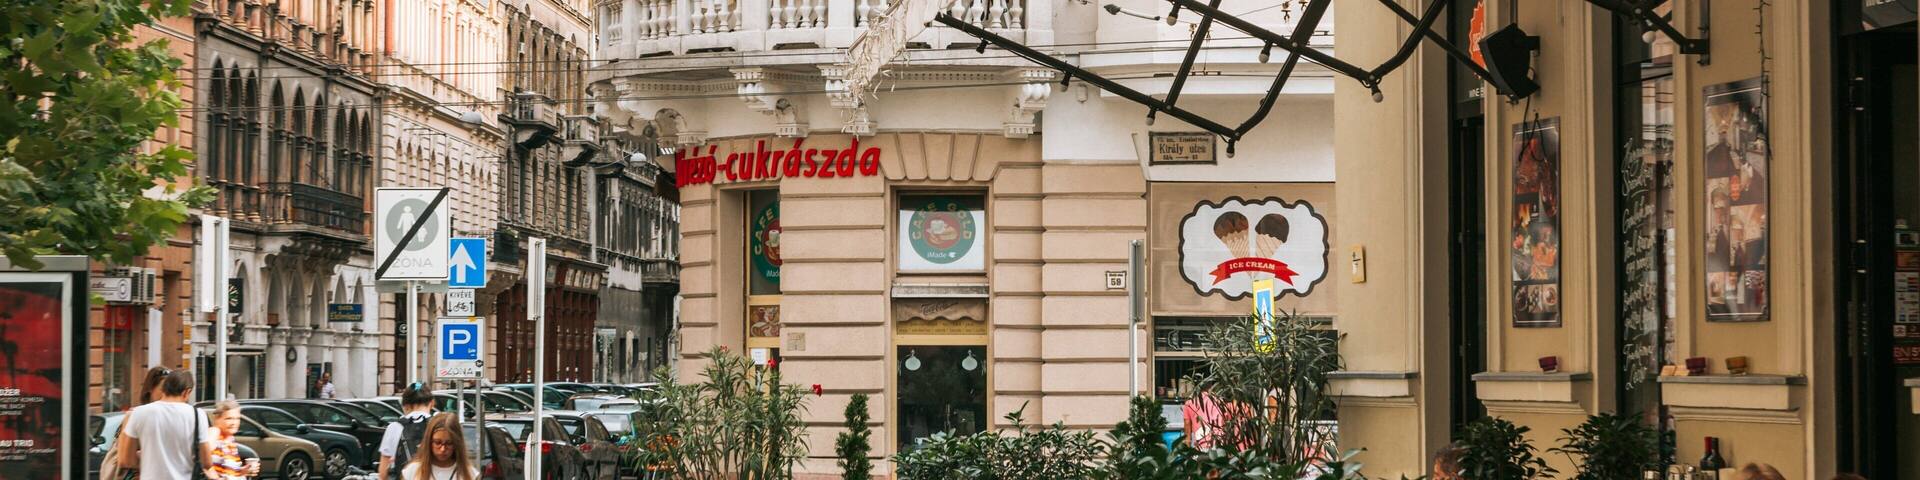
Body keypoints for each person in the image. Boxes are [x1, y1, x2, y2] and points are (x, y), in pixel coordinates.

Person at [118, 369, 210, 480]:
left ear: (164, 389)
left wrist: (148, 463)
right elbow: (206, 462)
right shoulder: (198, 415)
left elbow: (126, 460)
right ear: (187, 392)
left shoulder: (138, 413)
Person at [378, 383, 437, 480]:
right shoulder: (438, 425)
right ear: (432, 403)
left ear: (405, 405)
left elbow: (383, 471)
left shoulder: (394, 427)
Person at [401, 413, 479, 480]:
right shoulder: (412, 471)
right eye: (437, 442)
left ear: (457, 443)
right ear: (429, 441)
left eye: (449, 443)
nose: (442, 449)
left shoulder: (470, 474)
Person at [203, 400, 261, 480]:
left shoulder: (230, 439)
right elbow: (201, 457)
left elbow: (228, 472)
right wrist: (213, 475)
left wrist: (242, 471)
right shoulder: (214, 431)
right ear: (217, 419)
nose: (234, 423)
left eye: (237, 418)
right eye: (229, 418)